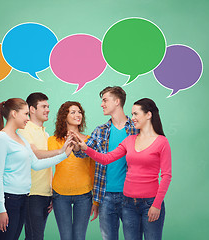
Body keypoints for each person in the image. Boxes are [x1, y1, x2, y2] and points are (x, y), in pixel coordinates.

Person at [73, 98, 172, 240]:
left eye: (136, 114)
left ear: (148, 115)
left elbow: (167, 176)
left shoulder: (162, 142)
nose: (133, 118)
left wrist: (156, 205)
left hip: (150, 202)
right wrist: (85, 148)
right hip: (128, 203)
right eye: (132, 114)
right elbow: (106, 158)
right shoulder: (129, 140)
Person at [0, 98, 73, 240]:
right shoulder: (2, 137)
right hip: (9, 199)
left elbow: (36, 164)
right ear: (14, 114)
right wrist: (1, 209)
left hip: (23, 198)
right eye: (25, 114)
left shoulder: (21, 139)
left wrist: (64, 154)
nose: (27, 119)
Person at [73, 86, 139, 240]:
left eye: (105, 100)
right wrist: (77, 146)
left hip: (131, 195)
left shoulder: (136, 129)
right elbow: (83, 152)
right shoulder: (100, 130)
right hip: (105, 196)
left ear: (117, 102)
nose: (102, 104)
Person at [17, 92, 63, 240]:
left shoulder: (46, 134)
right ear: (32, 109)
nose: (48, 109)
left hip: (45, 194)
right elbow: (35, 154)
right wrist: (62, 151)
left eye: (48, 106)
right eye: (43, 106)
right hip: (31, 194)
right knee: (34, 236)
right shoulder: (24, 130)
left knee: (36, 236)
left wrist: (51, 192)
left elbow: (48, 164)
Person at [47, 101, 95, 240]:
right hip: (60, 195)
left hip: (84, 195)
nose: (77, 114)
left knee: (79, 237)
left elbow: (93, 168)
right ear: (64, 116)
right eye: (72, 112)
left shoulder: (89, 140)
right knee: (66, 237)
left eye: (79, 112)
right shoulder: (53, 140)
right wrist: (49, 192)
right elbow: (48, 166)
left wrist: (95, 200)